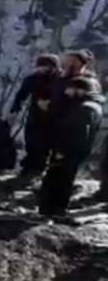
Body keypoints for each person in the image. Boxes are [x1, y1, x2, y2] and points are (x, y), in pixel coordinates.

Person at [39, 76, 103, 218]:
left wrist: (63, 150)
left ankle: (52, 210)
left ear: (79, 90)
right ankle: (53, 209)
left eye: (70, 89)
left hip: (68, 150)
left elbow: (75, 131)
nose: (66, 92)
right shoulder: (87, 106)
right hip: (74, 150)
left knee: (58, 179)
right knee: (62, 179)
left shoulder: (84, 109)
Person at [9, 54, 60, 179]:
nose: (41, 69)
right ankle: (28, 166)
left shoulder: (60, 80)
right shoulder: (33, 79)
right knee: (31, 139)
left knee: (45, 143)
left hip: (53, 115)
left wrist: (50, 104)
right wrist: (15, 107)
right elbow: (21, 94)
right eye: (39, 66)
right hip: (35, 113)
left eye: (44, 66)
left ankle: (39, 169)